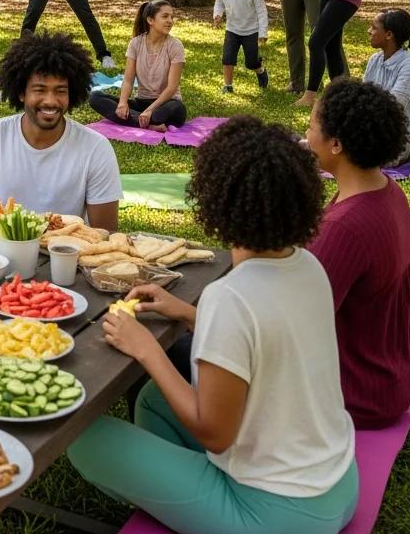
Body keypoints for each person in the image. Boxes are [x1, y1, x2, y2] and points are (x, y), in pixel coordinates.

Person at [67, 115, 358, 534]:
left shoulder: (230, 295)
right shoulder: (308, 266)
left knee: (84, 438)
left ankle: (188, 498)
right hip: (339, 484)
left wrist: (147, 350)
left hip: (277, 517)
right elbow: (267, 334)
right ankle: (181, 492)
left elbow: (215, 434)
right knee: (153, 401)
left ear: (214, 200)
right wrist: (188, 313)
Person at [304, 79, 410, 429]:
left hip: (354, 395)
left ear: (336, 144)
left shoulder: (345, 227)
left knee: (186, 352)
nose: (306, 133)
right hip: (387, 378)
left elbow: (289, 327)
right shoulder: (388, 192)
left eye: (311, 125)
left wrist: (193, 315)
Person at [0, 33, 121, 229]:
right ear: (21, 93)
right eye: (40, 90)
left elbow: (106, 234)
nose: (50, 101)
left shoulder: (96, 149)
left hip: (67, 247)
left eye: (60, 91)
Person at [89, 0, 186, 130]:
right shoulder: (135, 43)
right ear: (150, 20)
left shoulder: (176, 46)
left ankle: (138, 119)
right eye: (165, 16)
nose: (170, 21)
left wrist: (150, 110)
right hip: (142, 103)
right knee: (95, 98)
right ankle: (150, 125)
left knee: (175, 109)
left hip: (166, 103)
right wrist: (122, 103)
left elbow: (172, 88)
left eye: (171, 17)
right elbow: (128, 80)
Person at [213, 0, 269, 93]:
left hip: (251, 31)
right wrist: (217, 15)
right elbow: (219, 4)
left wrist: (262, 33)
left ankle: (260, 70)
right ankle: (228, 86)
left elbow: (262, 11)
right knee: (227, 58)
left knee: (251, 63)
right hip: (232, 30)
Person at [363, 8, 410, 164]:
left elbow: (393, 109)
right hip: (372, 128)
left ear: (389, 35)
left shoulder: (408, 66)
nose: (369, 31)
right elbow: (362, 98)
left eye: (374, 27)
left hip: (397, 138)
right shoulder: (374, 60)